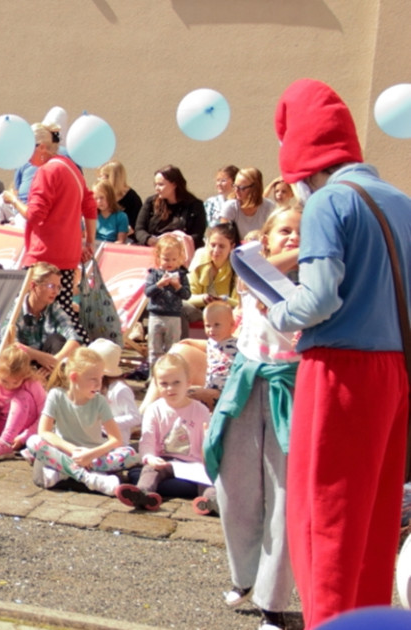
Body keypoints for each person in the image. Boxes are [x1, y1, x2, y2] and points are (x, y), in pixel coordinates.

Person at [268, 79, 411, 627]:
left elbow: (320, 296)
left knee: (322, 521)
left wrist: (274, 313)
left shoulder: (331, 200)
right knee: (374, 523)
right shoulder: (400, 200)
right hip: (394, 372)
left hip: (340, 372)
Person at [206, 207, 302, 630]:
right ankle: (244, 576)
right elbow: (247, 268)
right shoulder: (251, 264)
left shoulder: (317, 279)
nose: (295, 239)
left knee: (284, 499)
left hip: (291, 388)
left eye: (304, 232)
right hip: (246, 382)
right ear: (265, 238)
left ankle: (273, 605)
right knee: (234, 487)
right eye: (286, 231)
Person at [4, 122, 97, 340]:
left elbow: (35, 215)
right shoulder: (70, 167)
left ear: (42, 147)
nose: (25, 157)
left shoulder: (46, 172)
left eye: (28, 150)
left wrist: (14, 200)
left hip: (44, 256)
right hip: (67, 254)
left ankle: (56, 353)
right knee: (61, 312)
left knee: (34, 312)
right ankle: (70, 354)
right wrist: (89, 242)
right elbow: (90, 206)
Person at [26, 348, 138, 495]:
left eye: (101, 378)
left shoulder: (100, 401)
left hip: (93, 455)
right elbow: (44, 431)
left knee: (130, 453)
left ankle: (63, 472)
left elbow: (115, 439)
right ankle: (88, 478)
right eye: (93, 379)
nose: (99, 384)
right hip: (66, 452)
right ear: (74, 377)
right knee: (33, 442)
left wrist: (90, 455)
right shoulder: (56, 395)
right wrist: (73, 450)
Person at [116, 354, 211, 511]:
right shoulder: (154, 409)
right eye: (164, 384)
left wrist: (209, 459)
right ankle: (143, 494)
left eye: (176, 383)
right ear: (157, 385)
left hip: (193, 463)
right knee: (146, 471)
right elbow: (147, 440)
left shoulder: (200, 410)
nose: (170, 388)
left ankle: (209, 502)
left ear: (188, 383)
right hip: (164, 461)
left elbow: (207, 442)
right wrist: (150, 457)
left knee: (209, 479)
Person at [0, 262, 84, 370]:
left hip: (46, 367)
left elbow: (74, 338)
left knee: (57, 340)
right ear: (33, 285)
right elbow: (8, 344)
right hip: (17, 367)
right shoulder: (15, 308)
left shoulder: (54, 307)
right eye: (51, 286)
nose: (56, 292)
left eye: (58, 287)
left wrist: (54, 362)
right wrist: (38, 356)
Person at [145, 234, 191, 369]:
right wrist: (159, 284)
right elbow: (148, 292)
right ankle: (153, 377)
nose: (169, 263)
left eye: (174, 259)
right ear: (158, 257)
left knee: (173, 350)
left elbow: (187, 295)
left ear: (179, 259)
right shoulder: (154, 274)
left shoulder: (181, 276)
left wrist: (178, 286)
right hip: (156, 315)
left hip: (174, 316)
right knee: (155, 349)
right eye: (166, 259)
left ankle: (170, 373)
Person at [135, 165, 207, 249]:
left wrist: (174, 245)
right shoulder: (151, 202)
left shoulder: (195, 205)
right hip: (153, 248)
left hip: (182, 252)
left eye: (161, 184)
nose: (157, 188)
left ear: (174, 184)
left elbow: (197, 234)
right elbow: (139, 229)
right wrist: (148, 239)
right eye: (155, 184)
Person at [90, 337, 140, 443]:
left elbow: (135, 417)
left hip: (116, 443)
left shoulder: (120, 390)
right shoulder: (94, 387)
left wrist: (108, 422)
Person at [218, 167, 276, 238]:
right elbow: (224, 237)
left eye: (242, 188)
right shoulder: (230, 207)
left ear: (255, 188)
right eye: (235, 186)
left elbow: (273, 235)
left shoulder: (269, 207)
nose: (236, 190)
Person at [97, 160, 142, 227]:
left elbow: (135, 225)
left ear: (112, 178)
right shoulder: (100, 195)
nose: (99, 180)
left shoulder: (132, 198)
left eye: (101, 176)